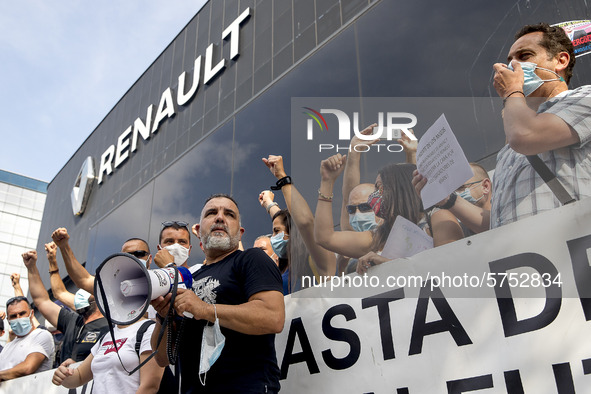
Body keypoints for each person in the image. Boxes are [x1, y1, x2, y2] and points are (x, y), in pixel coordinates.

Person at [415, 23, 591, 230]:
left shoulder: (584, 97)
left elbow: (525, 135)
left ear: (561, 60)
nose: (511, 66)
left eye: (524, 56)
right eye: (510, 61)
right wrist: (448, 200)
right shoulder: (508, 150)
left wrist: (512, 92)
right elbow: (498, 224)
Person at [151, 194, 285, 393]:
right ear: (198, 230)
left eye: (229, 214)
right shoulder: (191, 278)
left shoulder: (251, 259)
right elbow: (161, 358)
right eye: (212, 213)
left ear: (239, 233)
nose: (220, 217)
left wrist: (205, 309)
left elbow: (273, 317)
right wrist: (164, 319)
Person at [315, 153, 426, 261]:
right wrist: (327, 181)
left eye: (379, 188)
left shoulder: (431, 226)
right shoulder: (377, 237)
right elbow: (325, 237)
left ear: (401, 191)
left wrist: (385, 263)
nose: (373, 196)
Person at [260, 154, 337, 290]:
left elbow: (304, 223)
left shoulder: (315, 261)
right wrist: (269, 204)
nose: (273, 238)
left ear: (294, 233)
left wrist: (282, 178)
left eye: (276, 231)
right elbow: (282, 220)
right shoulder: (283, 270)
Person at [23, 245, 108, 365]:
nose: (80, 293)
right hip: (64, 382)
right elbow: (41, 300)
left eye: (86, 289)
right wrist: (31, 268)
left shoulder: (111, 325)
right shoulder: (71, 321)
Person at [52, 316, 164, 393]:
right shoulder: (107, 336)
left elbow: (150, 386)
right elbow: (80, 376)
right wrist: (64, 376)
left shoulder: (149, 329)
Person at [51, 228, 153, 294]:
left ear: (150, 258)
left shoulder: (163, 286)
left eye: (139, 254)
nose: (133, 258)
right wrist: (64, 246)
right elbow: (83, 280)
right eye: (127, 256)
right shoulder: (114, 287)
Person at [0, 294, 55, 381]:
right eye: (13, 316)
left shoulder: (41, 335)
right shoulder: (8, 346)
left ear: (31, 314)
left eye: (22, 314)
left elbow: (28, 368)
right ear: (8, 320)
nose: (18, 318)